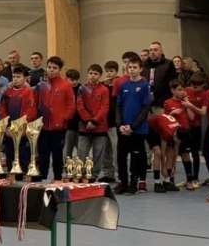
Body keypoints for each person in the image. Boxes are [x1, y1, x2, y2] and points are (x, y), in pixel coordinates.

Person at [114, 56, 152, 194]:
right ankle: (123, 183)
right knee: (121, 156)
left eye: (135, 67)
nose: (132, 70)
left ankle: (133, 183)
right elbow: (118, 106)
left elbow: (145, 108)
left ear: (140, 69)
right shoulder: (123, 86)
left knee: (136, 157)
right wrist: (120, 124)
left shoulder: (144, 86)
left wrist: (133, 126)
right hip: (123, 128)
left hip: (138, 129)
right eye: (130, 67)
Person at [35, 56, 74, 181]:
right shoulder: (41, 85)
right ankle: (42, 178)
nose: (51, 70)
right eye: (49, 67)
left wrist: (64, 118)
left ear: (59, 70)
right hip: (43, 126)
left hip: (59, 128)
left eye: (54, 68)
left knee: (57, 154)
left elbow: (71, 105)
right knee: (43, 154)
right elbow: (36, 103)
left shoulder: (66, 85)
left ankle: (57, 178)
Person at [74, 64, 111, 181]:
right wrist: (87, 121)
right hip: (84, 127)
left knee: (98, 154)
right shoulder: (82, 89)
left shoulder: (104, 90)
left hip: (100, 127)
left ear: (100, 76)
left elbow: (105, 107)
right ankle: (80, 174)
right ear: (87, 74)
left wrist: (94, 121)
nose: (92, 76)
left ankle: (93, 175)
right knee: (81, 153)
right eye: (90, 73)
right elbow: (79, 106)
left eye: (95, 74)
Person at [144, 41, 177, 105]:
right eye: (150, 50)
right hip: (146, 100)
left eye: (155, 50)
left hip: (163, 100)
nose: (152, 52)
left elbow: (171, 83)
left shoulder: (169, 64)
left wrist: (155, 94)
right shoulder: (144, 64)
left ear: (161, 51)